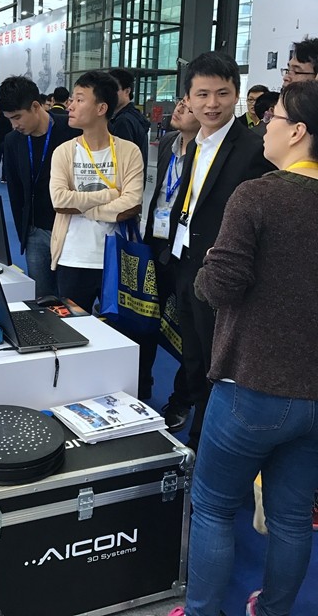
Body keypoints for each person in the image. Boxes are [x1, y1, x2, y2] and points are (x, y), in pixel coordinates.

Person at [167, 80, 318, 616]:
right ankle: (273, 609)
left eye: (273, 118)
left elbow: (220, 285)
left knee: (212, 506)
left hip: (251, 385)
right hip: (313, 395)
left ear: (297, 132)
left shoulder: (258, 195)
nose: (265, 126)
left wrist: (206, 268)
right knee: (292, 518)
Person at [160, 51, 274, 451]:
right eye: (202, 94)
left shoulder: (254, 149)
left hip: (219, 272)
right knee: (190, 354)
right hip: (184, 261)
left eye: (222, 94)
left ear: (236, 95)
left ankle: (204, 444)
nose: (212, 104)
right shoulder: (195, 143)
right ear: (188, 99)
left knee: (214, 364)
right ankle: (196, 422)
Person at [49, 70, 144, 313]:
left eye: (80, 100)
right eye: (72, 99)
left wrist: (84, 208)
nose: (70, 106)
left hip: (116, 257)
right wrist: (110, 195)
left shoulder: (129, 151)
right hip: (72, 257)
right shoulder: (64, 152)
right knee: (72, 328)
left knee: (118, 329)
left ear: (101, 108)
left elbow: (131, 204)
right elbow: (60, 201)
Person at [137, 98, 200, 419]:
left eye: (188, 106)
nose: (179, 108)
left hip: (186, 251)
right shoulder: (166, 143)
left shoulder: (209, 153)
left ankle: (181, 400)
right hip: (154, 242)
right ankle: (141, 384)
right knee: (145, 316)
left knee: (188, 331)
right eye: (181, 102)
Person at [0, 75, 79, 297]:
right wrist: (25, 232)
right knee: (41, 299)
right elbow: (15, 192)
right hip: (36, 232)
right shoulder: (13, 141)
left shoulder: (72, 131)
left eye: (17, 117)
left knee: (70, 299)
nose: (14, 125)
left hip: (71, 230)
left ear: (35, 106)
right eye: (9, 119)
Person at [107, 68, 150, 175]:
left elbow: (121, 162)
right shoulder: (134, 116)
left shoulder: (123, 121)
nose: (109, 95)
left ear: (127, 91)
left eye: (113, 90)